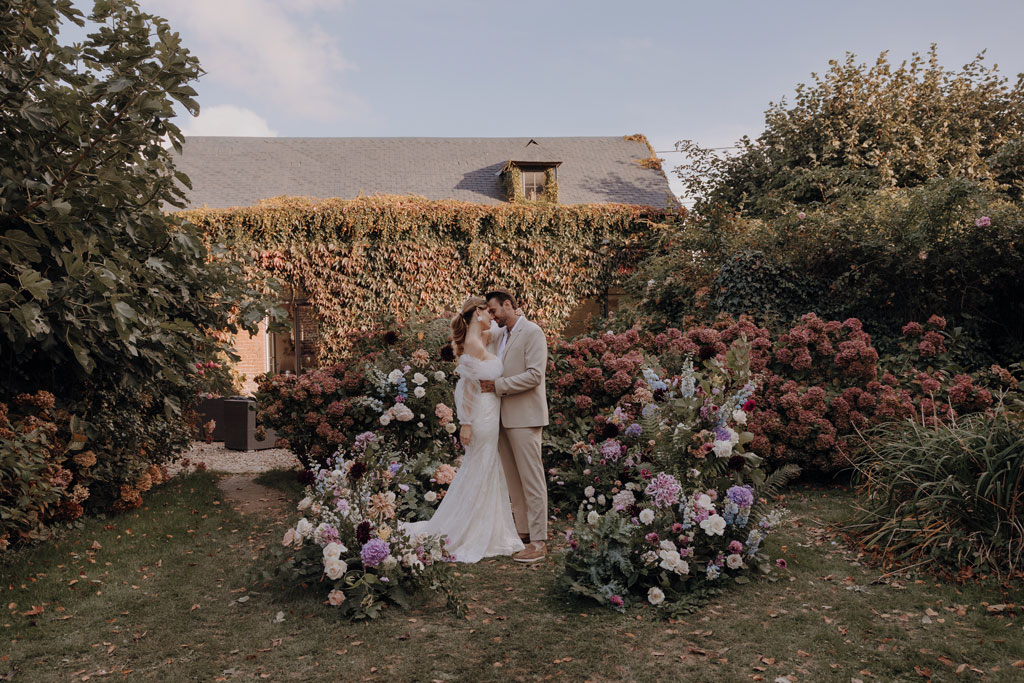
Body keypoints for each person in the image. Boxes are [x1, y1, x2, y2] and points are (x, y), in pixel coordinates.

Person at [401, 297, 524, 563]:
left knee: (487, 466)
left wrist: (515, 314)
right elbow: (466, 387)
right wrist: (465, 424)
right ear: (477, 313)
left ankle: (488, 527)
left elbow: (504, 329)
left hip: (491, 409)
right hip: (481, 413)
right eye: (488, 312)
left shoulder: (482, 337)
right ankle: (470, 529)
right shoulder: (473, 343)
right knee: (480, 466)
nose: (492, 315)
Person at [481, 288, 549, 563]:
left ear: (508, 305)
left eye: (494, 310)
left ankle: (539, 540)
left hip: (525, 417)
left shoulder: (532, 332)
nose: (492, 316)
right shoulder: (501, 335)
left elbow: (534, 375)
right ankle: (523, 532)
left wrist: (498, 386)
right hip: (502, 418)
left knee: (532, 480)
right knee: (514, 481)